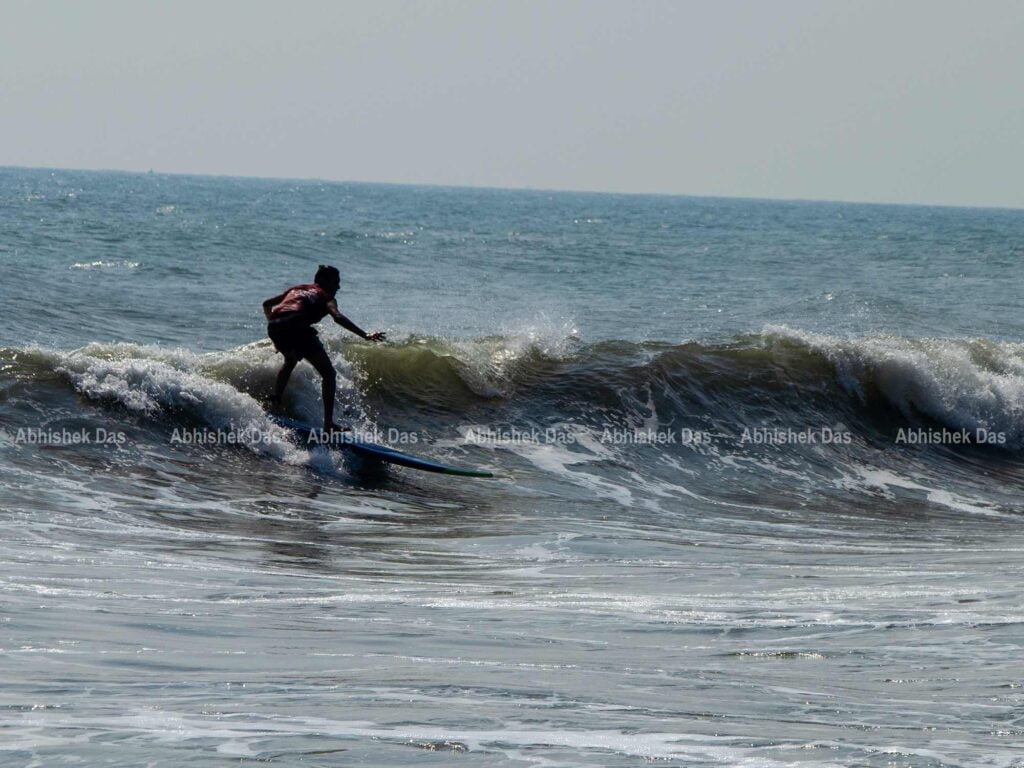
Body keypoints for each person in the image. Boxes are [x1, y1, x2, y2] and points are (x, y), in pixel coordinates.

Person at [263, 265, 385, 431]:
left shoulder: (297, 288)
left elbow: (266, 304)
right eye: (336, 282)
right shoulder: (326, 296)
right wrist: (365, 335)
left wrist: (279, 332)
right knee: (328, 374)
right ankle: (329, 424)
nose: (338, 287)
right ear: (324, 281)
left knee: (290, 360)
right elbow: (338, 317)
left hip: (274, 324)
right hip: (297, 324)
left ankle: (275, 401)